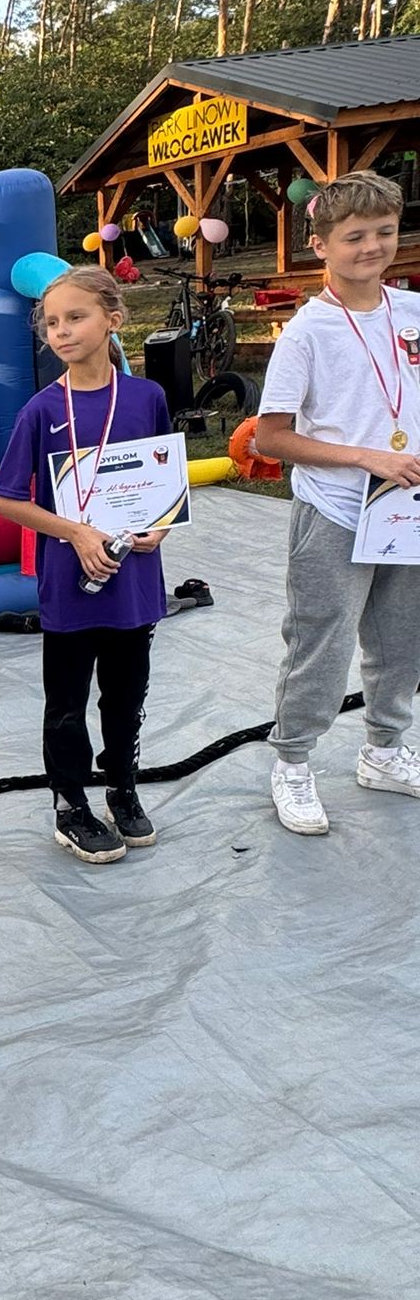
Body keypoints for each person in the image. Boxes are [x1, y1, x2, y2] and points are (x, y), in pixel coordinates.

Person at [254, 170, 420, 834]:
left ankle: (384, 750)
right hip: (336, 510)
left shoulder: (413, 312)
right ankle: (293, 762)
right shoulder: (307, 333)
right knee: (321, 642)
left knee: (402, 638)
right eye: (354, 237)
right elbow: (271, 438)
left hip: (406, 508)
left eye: (385, 232)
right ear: (320, 244)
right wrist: (365, 457)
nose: (372, 247)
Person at [0, 265, 170, 865]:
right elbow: (7, 499)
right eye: (51, 323)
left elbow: (165, 483)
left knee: (126, 696)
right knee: (66, 702)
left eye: (76, 317)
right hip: (71, 585)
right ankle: (70, 805)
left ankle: (122, 789)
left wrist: (159, 527)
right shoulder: (41, 410)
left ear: (113, 320)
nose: (61, 331)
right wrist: (75, 532)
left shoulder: (147, 398)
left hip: (133, 583)